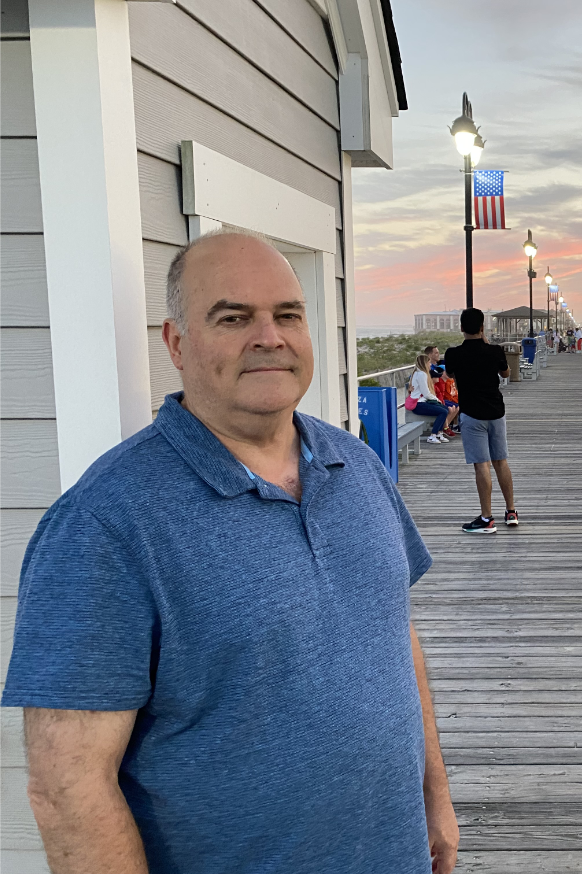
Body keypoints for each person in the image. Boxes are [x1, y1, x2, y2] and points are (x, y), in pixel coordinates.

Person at [1, 230, 458, 874]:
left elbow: (393, 633)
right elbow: (67, 787)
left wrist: (433, 798)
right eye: (233, 317)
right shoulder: (105, 522)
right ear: (177, 343)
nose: (268, 336)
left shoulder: (355, 462)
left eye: (287, 315)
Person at [443, 307, 518, 533]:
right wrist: (485, 342)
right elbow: (506, 374)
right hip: (496, 412)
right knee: (501, 461)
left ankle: (487, 519)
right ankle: (511, 511)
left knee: (481, 465)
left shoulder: (453, 353)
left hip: (472, 414)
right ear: (483, 327)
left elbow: (451, 374)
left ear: (462, 328)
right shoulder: (494, 351)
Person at [410, 354, 457, 444]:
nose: (430, 365)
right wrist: (437, 400)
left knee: (445, 409)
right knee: (443, 411)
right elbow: (426, 393)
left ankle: (439, 433)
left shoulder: (418, 373)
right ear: (425, 363)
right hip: (419, 404)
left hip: (422, 402)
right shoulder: (422, 374)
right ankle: (433, 435)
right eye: (428, 363)